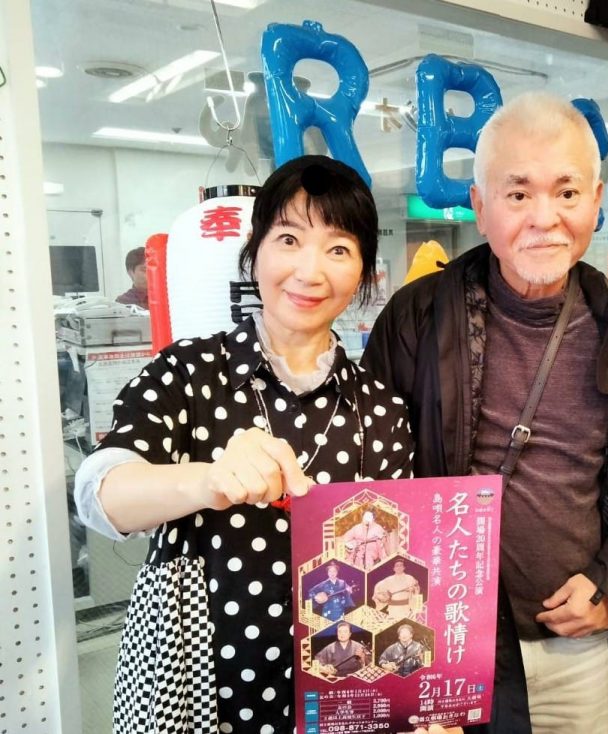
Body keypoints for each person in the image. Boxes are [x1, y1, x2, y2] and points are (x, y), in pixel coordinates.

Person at [362, 91, 608, 734]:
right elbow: (370, 471)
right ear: (479, 206)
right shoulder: (417, 319)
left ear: (596, 200)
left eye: (567, 192)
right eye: (518, 193)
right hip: (443, 638)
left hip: (578, 645)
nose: (544, 218)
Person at [73, 154, 414, 733]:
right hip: (196, 681)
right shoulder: (188, 371)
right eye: (289, 239)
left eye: (338, 249)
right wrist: (205, 479)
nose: (309, 272)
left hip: (341, 685)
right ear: (254, 252)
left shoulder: (381, 408)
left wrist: (415, 701)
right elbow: (99, 496)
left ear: (364, 273)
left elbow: (397, 561)